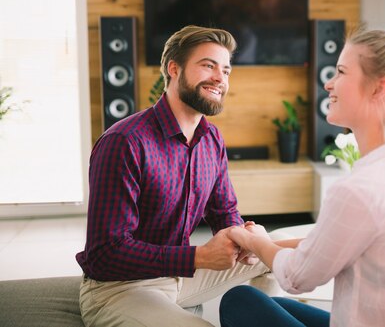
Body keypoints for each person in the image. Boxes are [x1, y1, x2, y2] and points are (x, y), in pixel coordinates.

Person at [219, 29, 385, 327]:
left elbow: (297, 277)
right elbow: (336, 241)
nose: (328, 83)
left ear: (379, 89)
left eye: (342, 72)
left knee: (239, 301)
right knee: (276, 304)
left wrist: (250, 240)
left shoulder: (362, 188)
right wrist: (265, 241)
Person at [76, 25, 270, 327]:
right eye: (208, 66)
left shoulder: (211, 138)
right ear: (174, 68)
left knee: (273, 254)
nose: (220, 78)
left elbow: (224, 211)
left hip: (179, 277)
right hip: (121, 288)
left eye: (227, 70)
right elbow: (105, 254)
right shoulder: (125, 142)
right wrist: (199, 257)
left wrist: (242, 239)